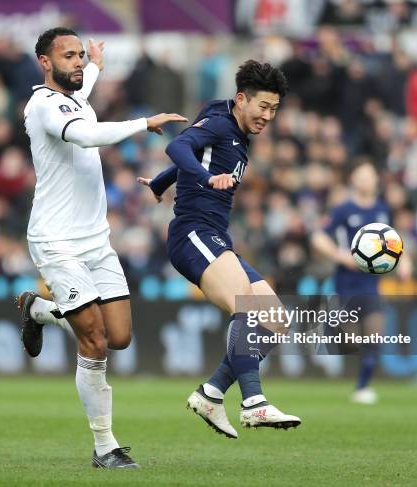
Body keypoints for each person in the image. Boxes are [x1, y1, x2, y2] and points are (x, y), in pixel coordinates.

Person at [17, 27, 186, 468]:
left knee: (119, 337)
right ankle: (105, 446)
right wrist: (143, 123)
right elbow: (86, 136)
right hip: (56, 241)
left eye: (79, 54)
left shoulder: (74, 95)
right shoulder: (43, 106)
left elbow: (83, 88)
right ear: (45, 63)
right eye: (68, 56)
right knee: (93, 342)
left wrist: (97, 65)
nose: (77, 61)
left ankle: (39, 309)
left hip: (95, 241)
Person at [138, 60, 301, 439]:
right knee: (247, 306)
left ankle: (211, 393)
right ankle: (253, 403)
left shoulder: (230, 124)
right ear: (242, 99)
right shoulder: (221, 123)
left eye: (274, 109)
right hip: (192, 233)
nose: (268, 116)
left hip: (216, 237)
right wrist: (205, 177)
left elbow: (192, 154)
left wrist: (161, 184)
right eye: (263, 106)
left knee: (275, 320)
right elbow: (180, 146)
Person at [311, 160, 410, 404]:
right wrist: (338, 255)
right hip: (345, 282)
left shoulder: (383, 209)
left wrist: (405, 261)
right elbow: (318, 237)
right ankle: (333, 325)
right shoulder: (343, 209)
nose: (366, 180)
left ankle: (363, 387)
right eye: (361, 176)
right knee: (353, 341)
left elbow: (393, 240)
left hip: (370, 283)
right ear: (353, 180)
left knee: (375, 335)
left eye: (370, 175)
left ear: (376, 179)